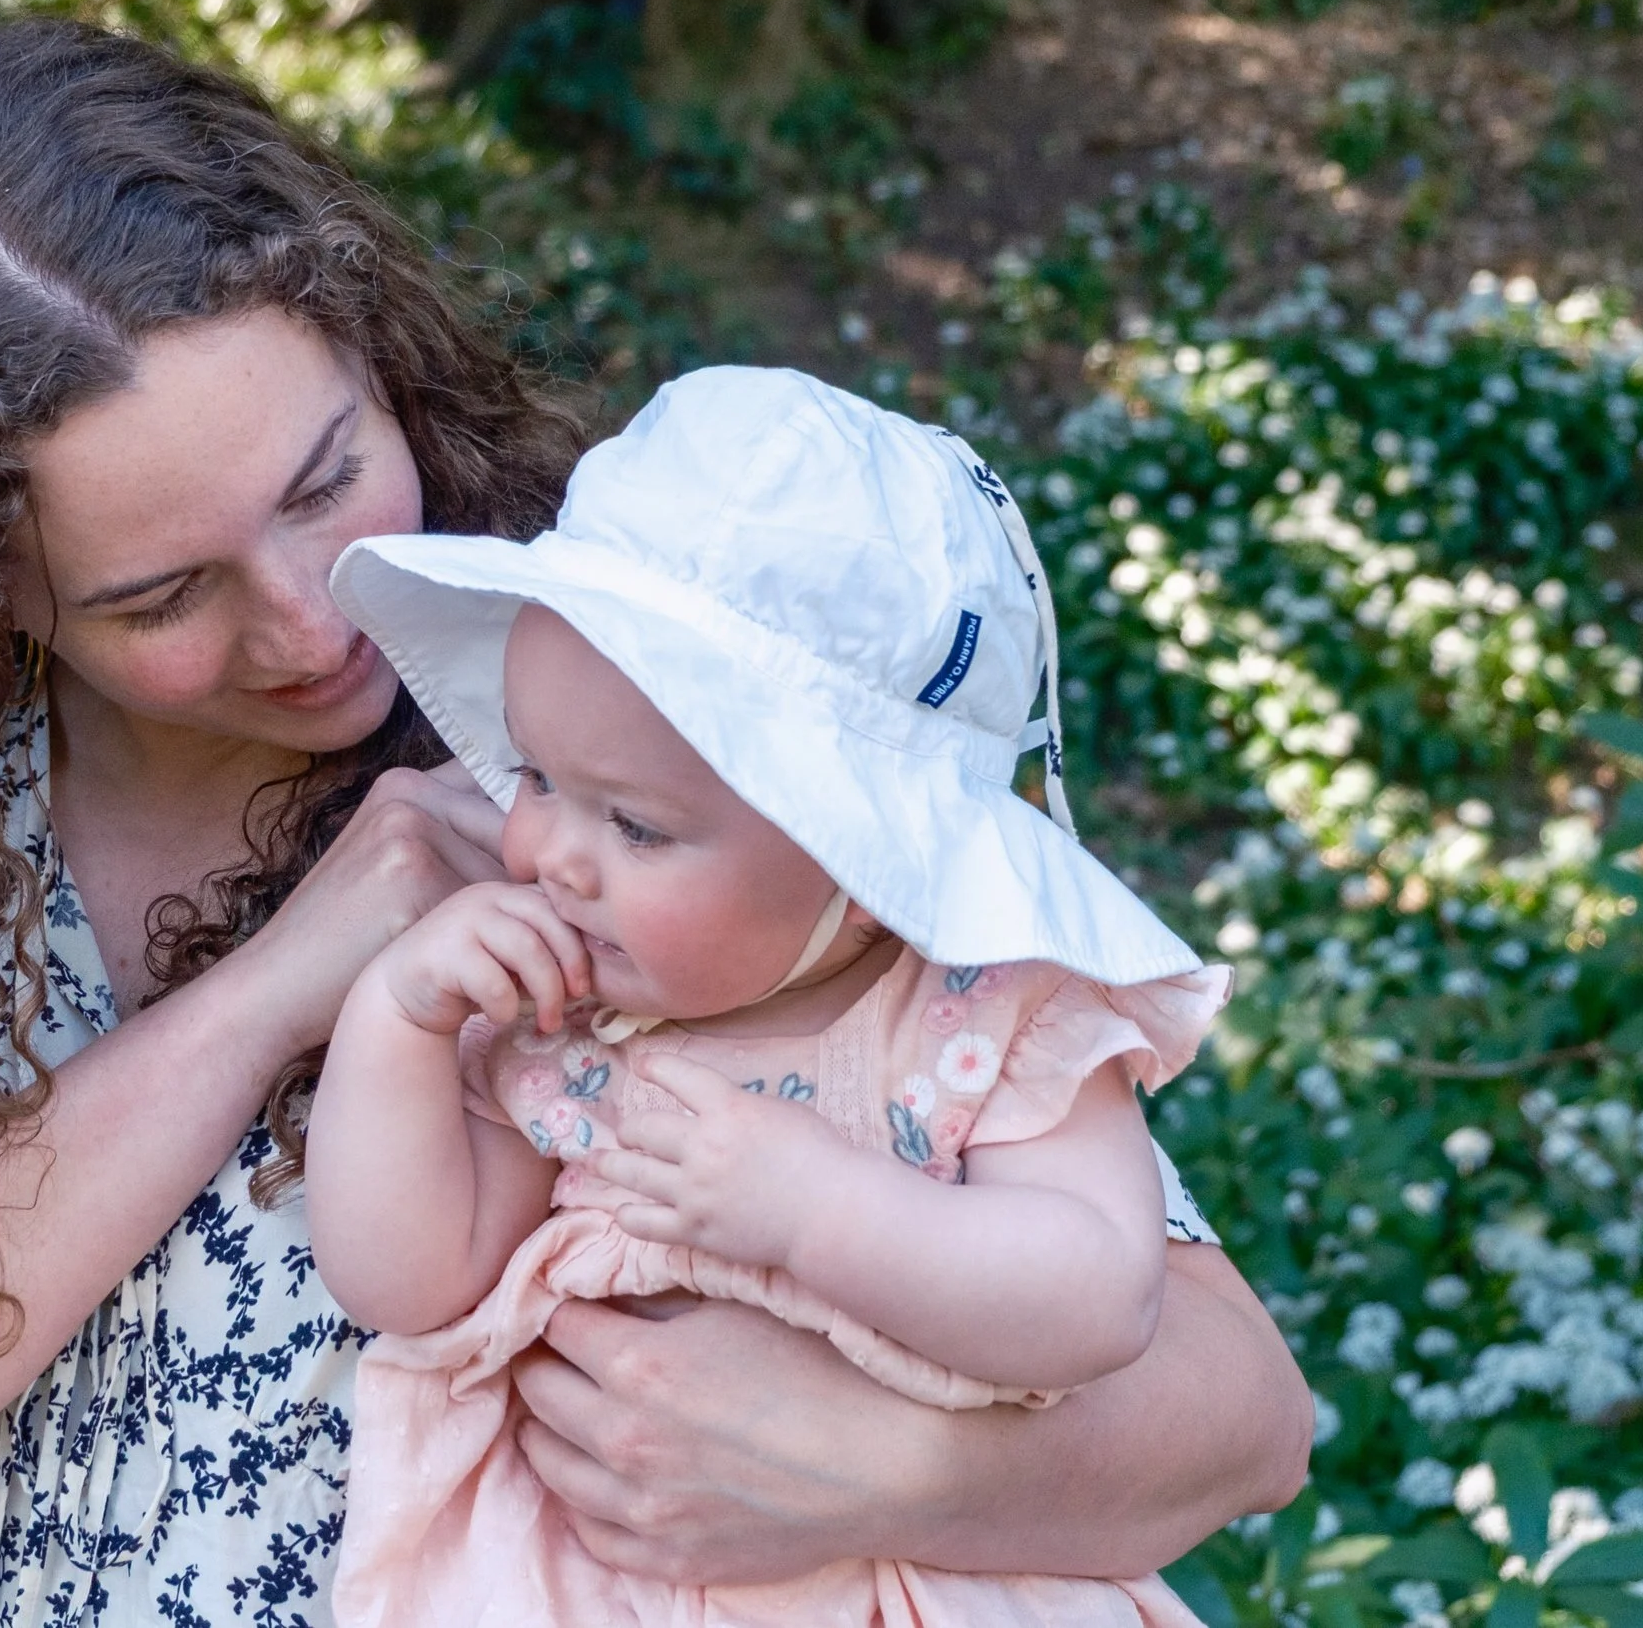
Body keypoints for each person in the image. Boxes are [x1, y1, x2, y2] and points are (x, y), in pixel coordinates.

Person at [0, 17, 1313, 1626]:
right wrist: (275, 990)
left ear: (382, 356)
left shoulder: (634, 704)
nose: (318, 616)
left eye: (329, 477)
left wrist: (890, 1474)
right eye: (159, 596)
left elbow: (1237, 1409)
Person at [312, 366, 1233, 1627]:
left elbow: (1097, 1296)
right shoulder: (566, 1022)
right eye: (535, 775)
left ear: (866, 868)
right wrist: (396, 1022)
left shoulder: (979, 1020)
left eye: (635, 825)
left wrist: (811, 1209)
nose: (548, 854)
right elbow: (405, 1279)